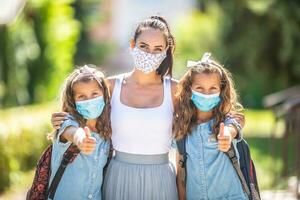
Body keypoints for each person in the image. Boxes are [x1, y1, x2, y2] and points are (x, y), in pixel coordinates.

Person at [51, 16, 245, 200]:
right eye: (143, 46)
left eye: (157, 48)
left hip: (162, 180)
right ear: (132, 45)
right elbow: (84, 115)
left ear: (165, 52)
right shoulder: (110, 87)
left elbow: (211, 113)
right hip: (118, 177)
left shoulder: (176, 90)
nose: (149, 54)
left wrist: (233, 125)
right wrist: (65, 125)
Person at [173, 53, 248, 200]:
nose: (206, 94)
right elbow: (181, 172)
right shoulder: (182, 127)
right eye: (199, 88)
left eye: (213, 88)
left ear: (221, 90)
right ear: (189, 89)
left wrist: (227, 134)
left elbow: (236, 123)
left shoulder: (227, 121)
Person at [49, 65, 111, 200]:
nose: (89, 100)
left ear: (104, 94)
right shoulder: (66, 122)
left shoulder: (107, 131)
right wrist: (81, 140)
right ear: (73, 100)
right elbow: (73, 132)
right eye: (81, 96)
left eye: (94, 94)